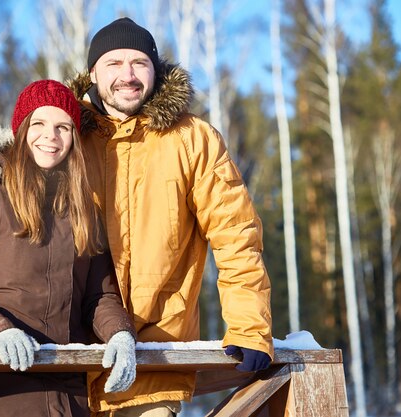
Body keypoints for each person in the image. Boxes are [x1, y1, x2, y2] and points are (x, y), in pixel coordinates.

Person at [66, 17, 274, 417]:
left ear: (156, 71)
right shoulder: (64, 136)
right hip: (68, 365)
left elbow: (236, 236)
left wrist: (250, 327)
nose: (127, 75)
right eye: (114, 63)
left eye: (139, 63)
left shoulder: (194, 139)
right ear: (93, 72)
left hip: (154, 359)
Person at [0, 80, 138, 417]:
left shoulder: (84, 209)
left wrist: (120, 334)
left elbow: (99, 297)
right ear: (21, 129)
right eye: (38, 124)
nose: (50, 137)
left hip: (66, 396)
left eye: (62, 127)